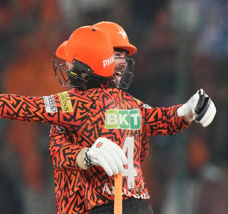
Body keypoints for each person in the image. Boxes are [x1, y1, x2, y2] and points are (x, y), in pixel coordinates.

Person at [0, 25, 216, 213]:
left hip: (98, 205)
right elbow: (159, 120)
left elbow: (20, 106)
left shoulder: (72, 103)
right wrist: (184, 112)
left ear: (84, 66)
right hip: (135, 203)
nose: (120, 63)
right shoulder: (129, 103)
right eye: (115, 54)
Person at [49, 21, 137, 214]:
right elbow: (58, 152)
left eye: (122, 57)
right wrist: (87, 156)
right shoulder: (68, 103)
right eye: (114, 56)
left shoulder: (128, 107)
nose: (119, 65)